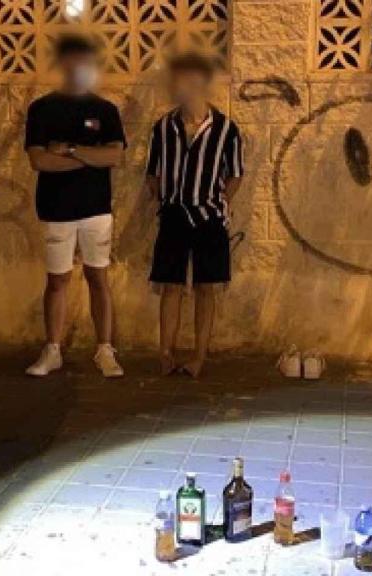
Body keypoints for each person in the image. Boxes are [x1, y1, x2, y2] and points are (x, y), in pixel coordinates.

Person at [24, 34, 126, 379]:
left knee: (99, 277)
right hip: (56, 209)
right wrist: (90, 157)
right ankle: (52, 349)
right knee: (57, 281)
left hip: (96, 208)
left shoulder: (105, 110)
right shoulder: (42, 109)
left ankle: (104, 349)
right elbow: (39, 161)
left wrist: (68, 151)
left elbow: (115, 155)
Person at [145, 53, 244, 378]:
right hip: (173, 214)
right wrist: (161, 200)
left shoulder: (227, 129)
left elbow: (236, 174)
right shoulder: (163, 127)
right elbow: (152, 173)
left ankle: (199, 357)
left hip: (209, 218)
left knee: (206, 287)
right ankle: (165, 353)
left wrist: (220, 204)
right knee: (170, 286)